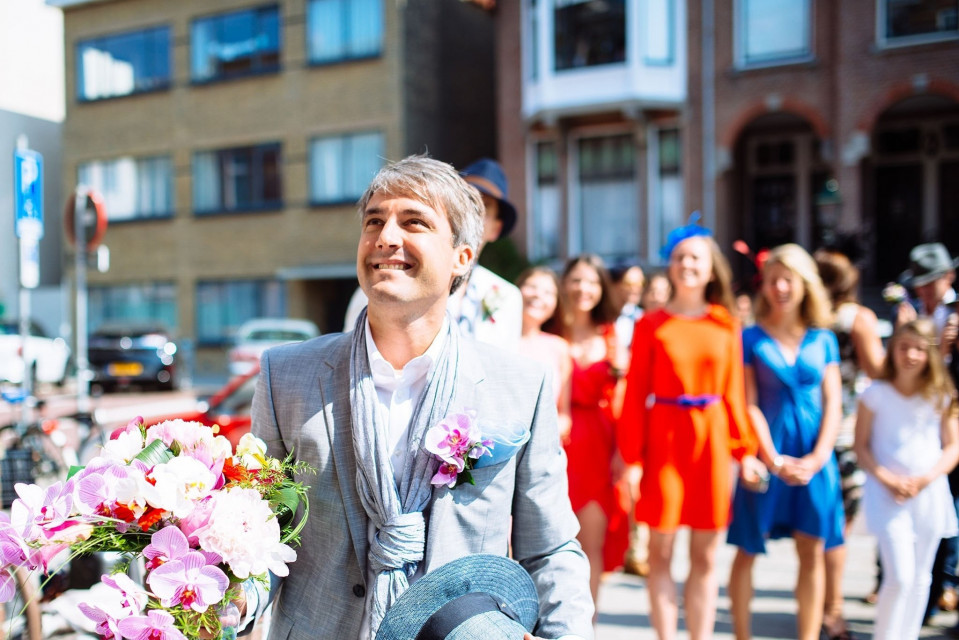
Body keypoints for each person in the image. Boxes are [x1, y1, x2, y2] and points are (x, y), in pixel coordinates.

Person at [249, 155, 593, 640]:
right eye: (374, 221)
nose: (386, 237)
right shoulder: (284, 375)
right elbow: (260, 538)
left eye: (414, 222)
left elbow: (551, 550)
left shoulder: (520, 386)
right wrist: (225, 602)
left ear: (462, 257)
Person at [618, 216, 763, 640]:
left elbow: (734, 393)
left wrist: (745, 451)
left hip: (712, 445)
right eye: (679, 257)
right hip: (664, 441)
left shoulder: (724, 323)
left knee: (706, 556)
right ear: (670, 265)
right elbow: (634, 397)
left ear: (710, 265)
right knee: (660, 553)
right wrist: (631, 460)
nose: (687, 264)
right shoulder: (650, 325)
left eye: (695, 257)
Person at [727, 243, 845, 640]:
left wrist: (817, 458)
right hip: (767, 457)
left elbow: (834, 403)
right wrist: (773, 458)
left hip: (816, 458)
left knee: (812, 550)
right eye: (773, 279)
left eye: (788, 279)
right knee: (748, 548)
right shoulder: (750, 337)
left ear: (804, 284)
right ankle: (742, 635)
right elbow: (749, 403)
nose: (779, 287)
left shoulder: (824, 338)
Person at [343, 158, 523, 347]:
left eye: (484, 206)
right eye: (467, 199)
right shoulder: (381, 286)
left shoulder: (507, 296)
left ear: (496, 228)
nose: (473, 209)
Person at [854, 318, 959, 640]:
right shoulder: (875, 393)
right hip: (888, 494)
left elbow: (952, 446)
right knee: (899, 575)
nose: (910, 355)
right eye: (903, 347)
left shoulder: (941, 395)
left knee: (920, 578)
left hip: (927, 494)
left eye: (918, 348)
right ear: (892, 350)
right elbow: (862, 445)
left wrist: (926, 478)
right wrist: (886, 478)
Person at [814, 248, 885, 640]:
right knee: (837, 526)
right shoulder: (857, 318)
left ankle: (824, 607)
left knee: (821, 529)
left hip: (813, 429)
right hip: (845, 431)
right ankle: (833, 613)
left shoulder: (810, 317)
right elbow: (878, 369)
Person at [558, 254, 631, 611]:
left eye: (592, 282)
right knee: (548, 545)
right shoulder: (550, 330)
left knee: (591, 547)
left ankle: (587, 627)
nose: (583, 288)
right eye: (576, 280)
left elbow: (624, 398)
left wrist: (623, 454)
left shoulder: (614, 335)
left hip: (599, 446)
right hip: (555, 443)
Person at [894, 242, 959, 622]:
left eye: (930, 282)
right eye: (918, 284)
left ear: (948, 277)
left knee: (947, 510)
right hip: (916, 422)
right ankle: (920, 594)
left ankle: (944, 586)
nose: (924, 291)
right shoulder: (908, 312)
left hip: (951, 419)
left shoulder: (956, 311)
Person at [516, 266, 572, 442]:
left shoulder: (559, 348)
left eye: (548, 292)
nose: (538, 295)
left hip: (543, 447)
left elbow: (564, 415)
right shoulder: (495, 340)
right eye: (532, 286)